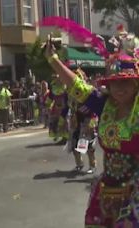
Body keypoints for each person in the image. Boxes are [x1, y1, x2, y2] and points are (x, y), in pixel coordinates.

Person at [45, 33, 139, 227]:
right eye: (115, 82)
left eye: (126, 82)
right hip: (108, 189)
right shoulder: (104, 104)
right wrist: (53, 60)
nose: (120, 88)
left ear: (136, 83)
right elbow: (75, 85)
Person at [66, 69, 98, 174]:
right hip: (76, 119)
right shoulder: (71, 93)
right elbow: (69, 107)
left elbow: (95, 108)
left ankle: (92, 165)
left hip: (88, 119)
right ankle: (79, 164)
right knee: (74, 143)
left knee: (89, 145)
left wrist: (92, 122)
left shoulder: (89, 91)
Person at [46, 74, 69, 144]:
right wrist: (48, 105)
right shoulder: (54, 87)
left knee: (65, 122)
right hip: (56, 108)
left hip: (65, 107)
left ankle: (66, 138)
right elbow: (50, 97)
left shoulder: (66, 87)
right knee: (56, 122)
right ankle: (61, 137)